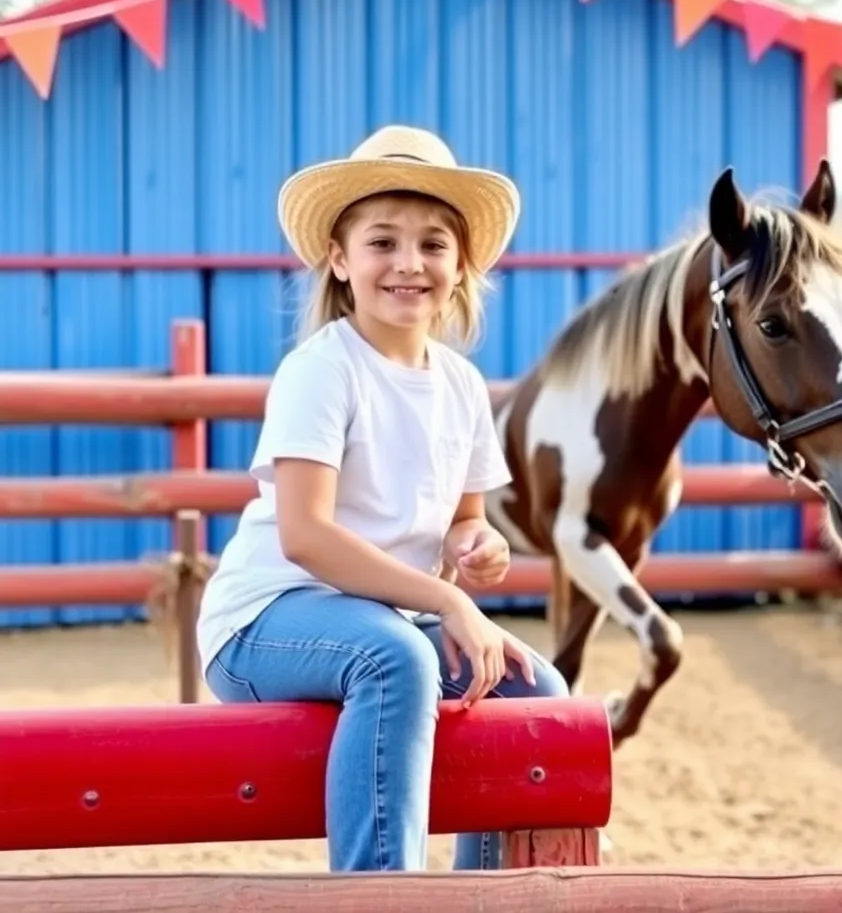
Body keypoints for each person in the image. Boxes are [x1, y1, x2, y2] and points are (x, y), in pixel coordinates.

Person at [195, 125, 569, 874]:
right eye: (382, 242)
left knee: (536, 688)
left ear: (461, 266)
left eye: (433, 244)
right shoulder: (323, 370)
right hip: (266, 622)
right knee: (399, 656)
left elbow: (465, 518)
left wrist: (476, 546)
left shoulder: (460, 385)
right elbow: (305, 536)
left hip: (379, 619)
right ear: (340, 260)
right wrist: (448, 600)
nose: (409, 263)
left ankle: (484, 890)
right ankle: (379, 891)